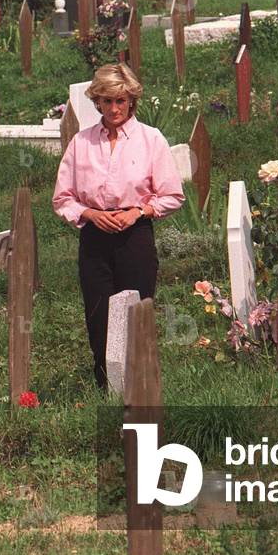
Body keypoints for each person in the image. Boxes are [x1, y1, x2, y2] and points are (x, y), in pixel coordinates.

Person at [52, 63, 185, 390]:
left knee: (137, 312)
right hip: (95, 238)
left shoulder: (150, 139)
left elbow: (172, 195)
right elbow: (62, 199)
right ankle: (107, 388)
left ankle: (141, 386)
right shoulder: (81, 143)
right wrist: (90, 215)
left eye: (121, 101)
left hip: (134, 237)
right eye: (107, 101)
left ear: (132, 102)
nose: (114, 109)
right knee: (99, 316)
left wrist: (139, 211)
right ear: (97, 101)